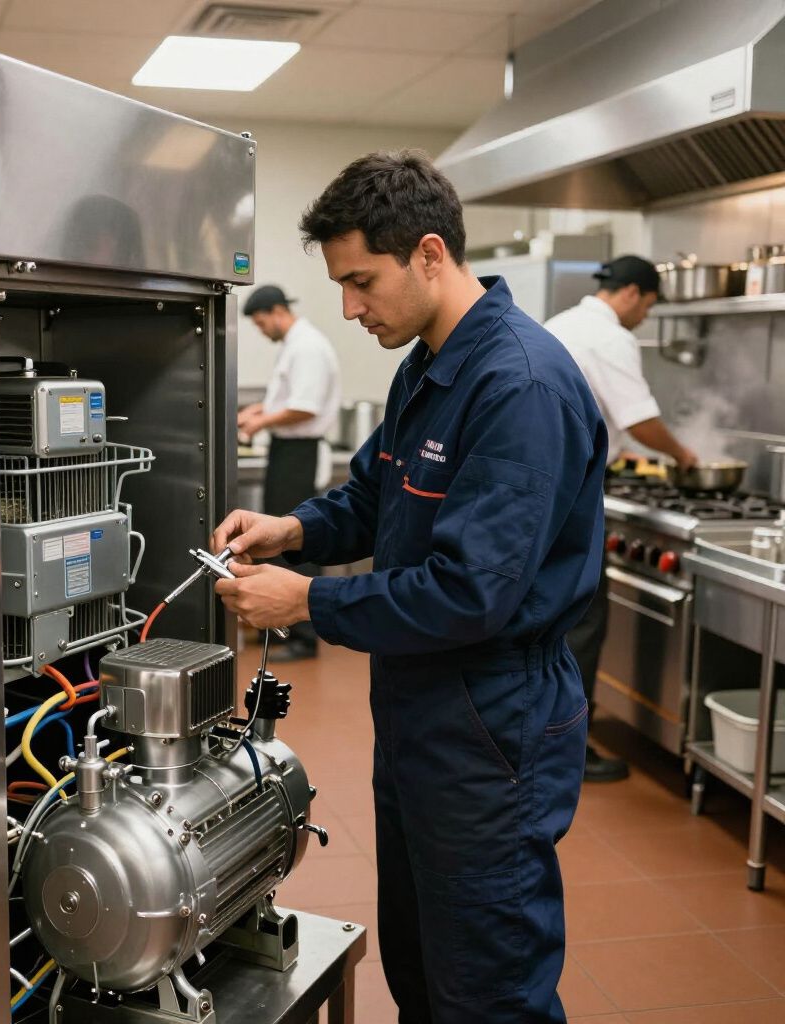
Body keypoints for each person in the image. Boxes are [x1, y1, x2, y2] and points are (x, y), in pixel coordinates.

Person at [212, 150, 607, 1024]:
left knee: (488, 983)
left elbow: (471, 591)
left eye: (362, 282)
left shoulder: (519, 386)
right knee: (423, 961)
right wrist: (293, 531)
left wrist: (306, 601)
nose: (349, 308)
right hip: (424, 705)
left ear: (430, 254)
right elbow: (371, 495)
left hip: (493, 716)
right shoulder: (427, 365)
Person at [545, 256, 698, 782]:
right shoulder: (609, 337)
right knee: (583, 619)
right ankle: (569, 752)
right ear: (632, 293)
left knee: (559, 618)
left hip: (546, 484)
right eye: (649, 306)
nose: (645, 317)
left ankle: (544, 738)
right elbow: (640, 420)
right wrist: (687, 457)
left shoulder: (564, 322)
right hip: (570, 491)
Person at [238, 285, 341, 660]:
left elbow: (304, 408)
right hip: (287, 451)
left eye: (263, 322)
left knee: (299, 541)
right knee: (281, 538)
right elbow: (287, 400)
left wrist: (261, 421)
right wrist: (258, 412)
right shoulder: (295, 346)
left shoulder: (307, 346)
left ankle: (304, 636)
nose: (263, 330)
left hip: (300, 453)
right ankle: (283, 628)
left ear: (278, 310)